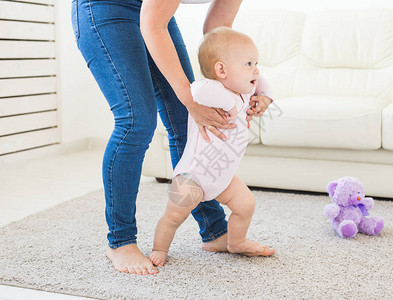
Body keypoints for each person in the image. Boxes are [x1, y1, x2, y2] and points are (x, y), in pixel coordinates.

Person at [71, 0, 272, 276]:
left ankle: (214, 232)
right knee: (136, 121)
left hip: (156, 13)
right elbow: (152, 24)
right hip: (107, 7)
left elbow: (218, 34)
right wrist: (192, 98)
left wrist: (246, 93)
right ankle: (121, 241)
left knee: (187, 121)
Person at [149, 27, 275, 268]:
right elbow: (196, 88)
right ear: (221, 70)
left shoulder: (244, 92)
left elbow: (261, 82)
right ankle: (159, 248)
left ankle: (236, 242)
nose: (256, 70)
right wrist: (230, 102)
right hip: (193, 176)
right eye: (248, 63)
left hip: (223, 175)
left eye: (256, 62)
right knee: (173, 217)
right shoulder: (212, 91)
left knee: (246, 204)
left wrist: (265, 97)